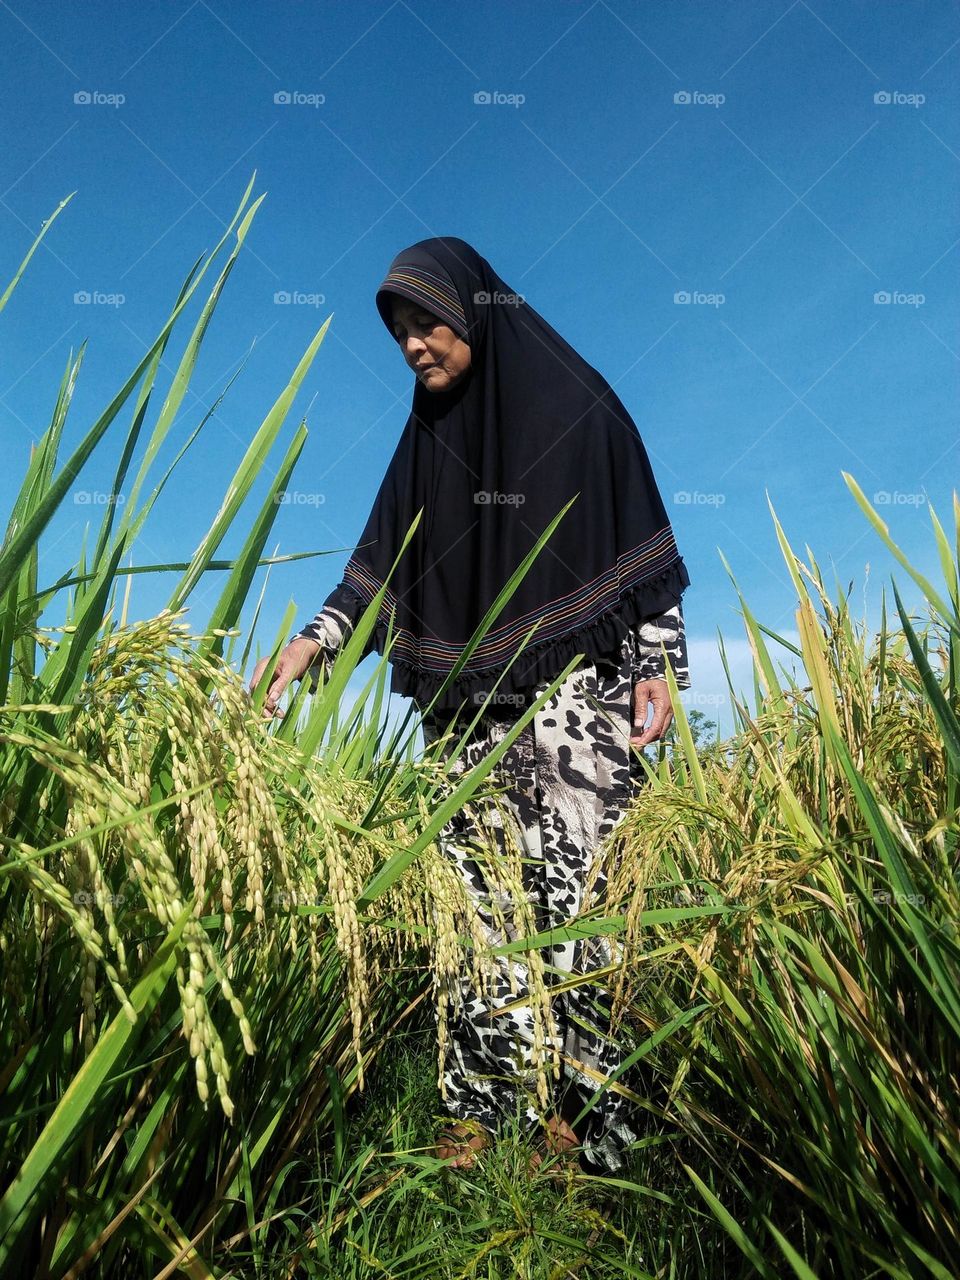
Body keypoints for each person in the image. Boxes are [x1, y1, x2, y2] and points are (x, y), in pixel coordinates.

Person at [249, 237, 691, 1174]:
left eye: (429, 322)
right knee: (479, 906)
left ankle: (582, 1115)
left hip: (578, 702)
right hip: (466, 716)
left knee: (581, 902)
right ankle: (482, 1103)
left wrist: (656, 656)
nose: (414, 346)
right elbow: (375, 567)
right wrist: (314, 643)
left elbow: (637, 523)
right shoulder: (425, 447)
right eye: (401, 332)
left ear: (476, 311)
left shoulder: (579, 406)